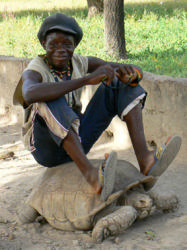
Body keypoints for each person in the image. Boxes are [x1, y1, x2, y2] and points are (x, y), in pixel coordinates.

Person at [13, 13, 181, 201]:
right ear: (44, 45)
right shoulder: (35, 69)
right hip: (47, 150)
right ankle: (92, 176)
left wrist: (131, 74)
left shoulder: (79, 62)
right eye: (53, 45)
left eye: (67, 45)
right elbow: (29, 93)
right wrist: (85, 80)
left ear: (74, 46)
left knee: (119, 84)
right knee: (48, 98)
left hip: (77, 141)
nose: (60, 50)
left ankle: (145, 159)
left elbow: (128, 68)